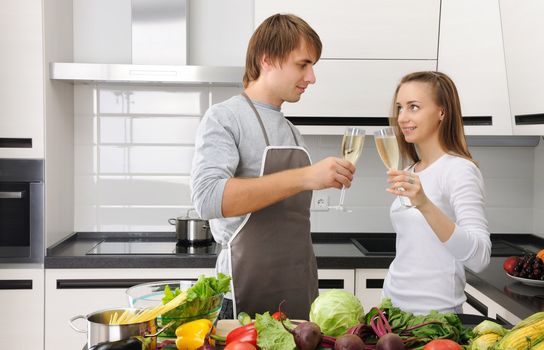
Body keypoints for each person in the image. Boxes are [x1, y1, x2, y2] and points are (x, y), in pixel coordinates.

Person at [190, 14, 356, 319]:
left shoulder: (293, 131)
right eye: (302, 64)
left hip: (298, 290)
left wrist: (318, 180)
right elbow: (208, 198)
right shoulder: (224, 117)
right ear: (267, 60)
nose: (311, 78)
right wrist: (305, 176)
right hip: (242, 294)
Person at [382, 71, 491, 314]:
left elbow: (480, 257)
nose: (402, 117)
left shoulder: (460, 170)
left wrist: (424, 204)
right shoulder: (411, 170)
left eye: (414, 107)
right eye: (400, 108)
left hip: (434, 319)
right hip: (391, 310)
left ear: (442, 112)